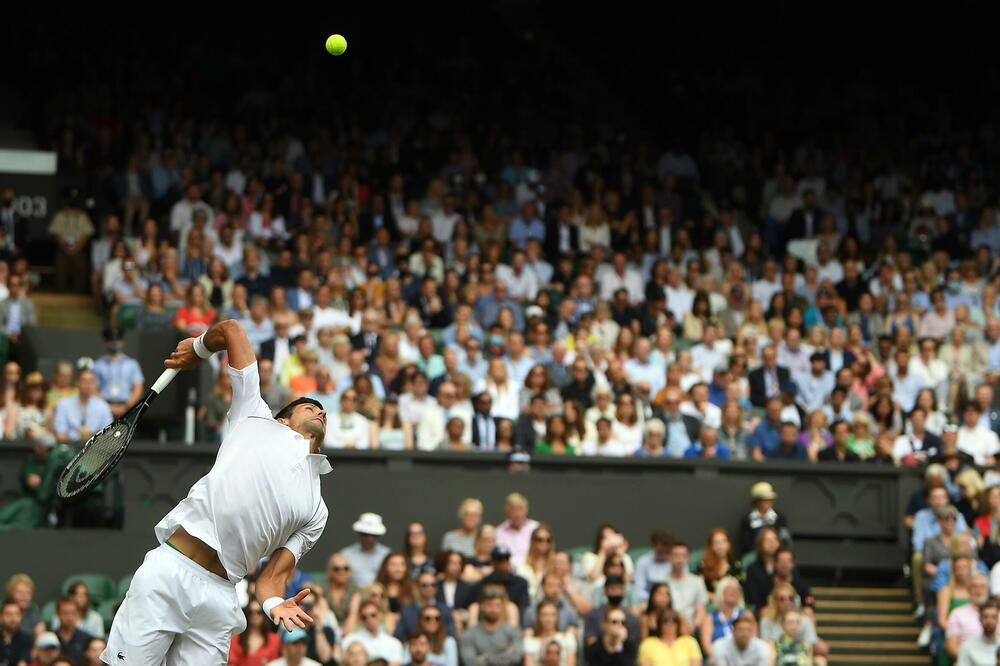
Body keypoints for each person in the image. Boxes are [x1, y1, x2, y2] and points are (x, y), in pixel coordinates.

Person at [103, 319, 331, 666]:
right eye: (309, 406)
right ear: (283, 419)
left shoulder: (317, 509)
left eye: (323, 409)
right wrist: (197, 349)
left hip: (221, 596)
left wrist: (273, 603)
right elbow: (233, 330)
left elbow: (273, 577)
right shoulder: (254, 416)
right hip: (171, 572)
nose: (321, 411)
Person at [458, 589, 523, 666]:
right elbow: (469, 662)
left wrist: (485, 657)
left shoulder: (513, 631)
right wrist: (505, 653)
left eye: (497, 605)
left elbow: (516, 657)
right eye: (489, 605)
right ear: (482, 607)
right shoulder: (469, 634)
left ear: (502, 608)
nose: (493, 609)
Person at [395, 571, 457, 640]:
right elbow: (399, 637)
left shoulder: (445, 610)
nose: (429, 588)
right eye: (425, 585)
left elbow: (451, 634)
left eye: (433, 585)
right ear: (417, 587)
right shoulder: (406, 611)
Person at [343, 601, 404, 666]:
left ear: (381, 615)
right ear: (360, 620)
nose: (369, 619)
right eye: (364, 617)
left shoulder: (394, 643)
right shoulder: (350, 640)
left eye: (373, 615)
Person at [664, 543, 708, 632]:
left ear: (688, 558)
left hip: (692, 627)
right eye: (676, 555)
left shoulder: (697, 581)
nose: (680, 559)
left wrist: (693, 627)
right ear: (669, 557)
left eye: (683, 555)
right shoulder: (662, 582)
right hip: (668, 625)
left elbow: (701, 609)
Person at [739, 482, 790, 555]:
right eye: (764, 499)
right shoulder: (747, 520)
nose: (768, 502)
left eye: (770, 499)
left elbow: (785, 541)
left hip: (776, 557)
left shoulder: (780, 518)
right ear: (756, 501)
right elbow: (745, 544)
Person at [637, 610, 701, 666]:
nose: (670, 623)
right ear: (659, 623)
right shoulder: (648, 644)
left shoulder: (690, 642)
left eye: (674, 620)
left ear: (678, 623)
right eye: (665, 620)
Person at [522, 600, 577, 666]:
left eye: (552, 615)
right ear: (538, 617)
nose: (548, 619)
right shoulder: (530, 641)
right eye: (544, 615)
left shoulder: (567, 638)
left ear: (557, 617)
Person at [228, 599, 281, 666]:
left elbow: (275, 663)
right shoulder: (235, 638)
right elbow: (231, 663)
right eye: (251, 612)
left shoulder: (274, 640)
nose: (255, 615)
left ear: (264, 615)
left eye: (259, 612)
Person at [496, 493, 540, 567]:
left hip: (534, 568)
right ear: (507, 512)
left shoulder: (536, 528)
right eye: (514, 510)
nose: (518, 514)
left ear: (526, 510)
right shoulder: (499, 532)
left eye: (520, 509)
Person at [324, 553, 362, 635]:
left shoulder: (355, 591)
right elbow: (325, 617)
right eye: (337, 569)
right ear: (330, 571)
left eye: (346, 568)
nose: (342, 572)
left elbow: (353, 616)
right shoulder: (323, 591)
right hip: (328, 633)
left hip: (351, 632)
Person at [955, 599, 1000, 666]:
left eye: (993, 617)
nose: (989, 621)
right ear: (980, 619)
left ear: (997, 619)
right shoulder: (967, 647)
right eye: (985, 617)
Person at [53, 595, 93, 663]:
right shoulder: (51, 638)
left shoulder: (87, 639)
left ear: (78, 614)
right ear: (58, 614)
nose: (69, 617)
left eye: (72, 613)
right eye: (65, 613)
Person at [0, 599, 32, 666]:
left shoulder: (26, 639)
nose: (13, 618)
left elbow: (23, 662)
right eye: (8, 614)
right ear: (1, 617)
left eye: (17, 614)